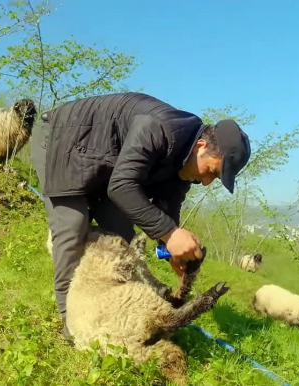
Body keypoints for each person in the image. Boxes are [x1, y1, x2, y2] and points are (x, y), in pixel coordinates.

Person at [29, 92, 251, 341]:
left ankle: (117, 310)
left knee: (121, 234)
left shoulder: (183, 161)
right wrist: (170, 234)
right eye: (211, 171)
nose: (207, 182)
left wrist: (169, 248)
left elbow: (168, 207)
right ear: (201, 147)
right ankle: (72, 320)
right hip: (62, 140)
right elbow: (121, 188)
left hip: (104, 164)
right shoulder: (159, 129)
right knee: (72, 227)